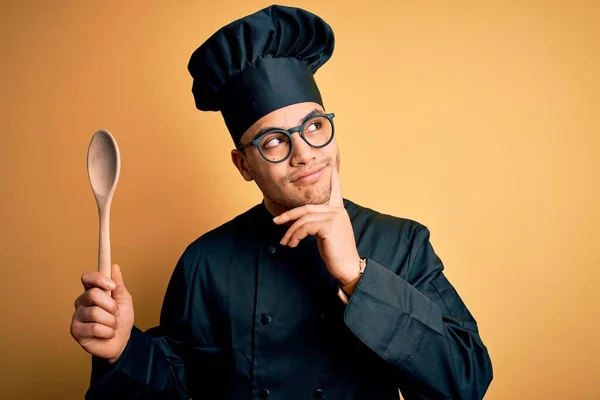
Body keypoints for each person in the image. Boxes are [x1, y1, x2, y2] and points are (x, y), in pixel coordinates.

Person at [70, 5, 493, 399]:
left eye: (314, 126)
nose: (304, 152)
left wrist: (358, 278)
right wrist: (122, 349)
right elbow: (176, 385)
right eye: (274, 141)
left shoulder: (402, 243)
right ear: (243, 164)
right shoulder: (205, 262)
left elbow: (466, 380)